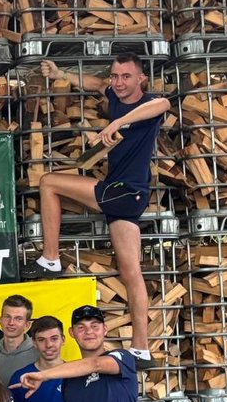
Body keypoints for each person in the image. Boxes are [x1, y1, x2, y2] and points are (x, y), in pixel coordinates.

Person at [20, 53, 170, 370]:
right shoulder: (113, 92)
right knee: (132, 273)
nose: (118, 82)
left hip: (124, 191)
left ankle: (50, 258)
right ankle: (141, 350)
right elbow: (95, 83)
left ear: (141, 78)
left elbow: (163, 104)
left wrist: (117, 122)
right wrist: (61, 73)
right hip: (128, 197)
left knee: (48, 182)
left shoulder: (149, 105)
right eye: (116, 76)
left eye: (126, 76)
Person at [0, 295, 39, 388]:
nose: (11, 323)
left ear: (27, 325)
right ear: (0, 320)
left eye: (18, 318)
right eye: (7, 317)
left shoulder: (39, 354)